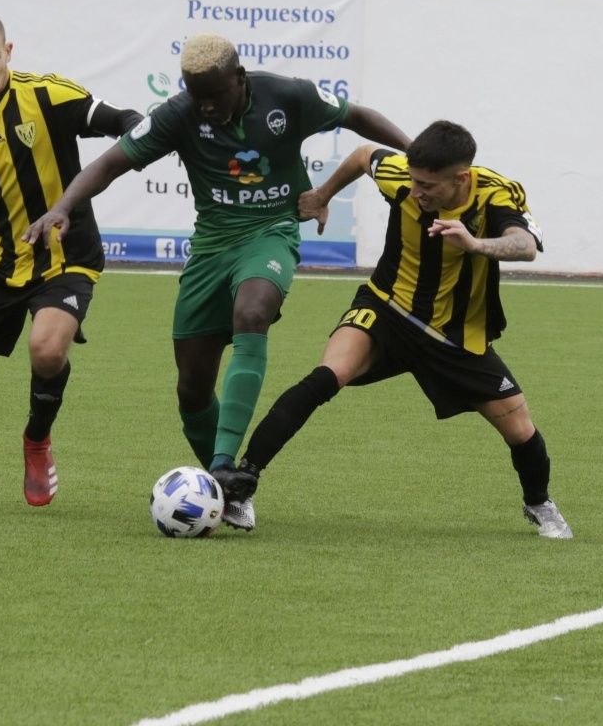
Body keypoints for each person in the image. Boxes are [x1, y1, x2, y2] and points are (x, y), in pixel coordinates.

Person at [23, 33, 408, 530]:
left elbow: (359, 117)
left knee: (252, 313)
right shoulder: (179, 113)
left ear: (239, 78)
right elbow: (110, 163)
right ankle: (225, 489)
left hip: (271, 233)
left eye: (215, 96)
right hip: (209, 248)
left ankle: (226, 467)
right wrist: (62, 206)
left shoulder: (287, 96)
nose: (205, 107)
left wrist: (416, 153)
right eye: (195, 95)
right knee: (191, 389)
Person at [214, 120, 574, 539]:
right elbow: (364, 155)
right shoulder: (400, 175)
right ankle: (243, 484)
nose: (417, 191)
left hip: (452, 335)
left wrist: (476, 244)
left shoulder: (495, 192)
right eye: (414, 181)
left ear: (461, 178)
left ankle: (539, 504)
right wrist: (322, 195)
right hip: (386, 308)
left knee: (519, 425)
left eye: (428, 185)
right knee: (327, 376)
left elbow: (525, 245)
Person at [0, 9, 142, 510]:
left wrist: (146, 135)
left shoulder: (46, 95)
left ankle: (37, 439)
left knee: (47, 348)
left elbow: (123, 121)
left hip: (67, 253)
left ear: (9, 51)